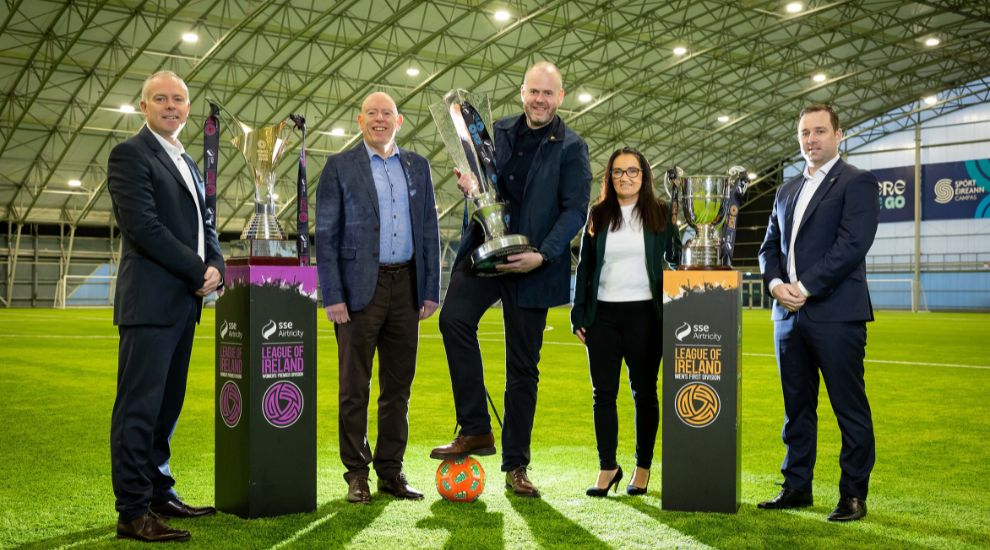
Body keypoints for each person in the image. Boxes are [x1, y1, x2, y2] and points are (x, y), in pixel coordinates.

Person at [430, 61, 591, 498]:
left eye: (548, 93)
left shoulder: (572, 147)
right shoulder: (497, 130)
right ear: (522, 93)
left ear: (560, 97)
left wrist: (542, 254)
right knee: (453, 320)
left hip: (532, 265)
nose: (539, 100)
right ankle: (475, 428)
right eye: (533, 91)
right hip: (486, 250)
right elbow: (486, 183)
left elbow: (575, 210)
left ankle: (516, 466)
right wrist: (470, 186)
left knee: (522, 368)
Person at [108, 71, 224, 542]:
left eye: (178, 99)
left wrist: (216, 265)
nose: (171, 106)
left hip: (183, 304)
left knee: (166, 409)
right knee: (138, 409)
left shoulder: (187, 161)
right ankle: (133, 510)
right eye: (161, 99)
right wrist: (199, 270)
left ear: (188, 109)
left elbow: (206, 223)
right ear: (144, 107)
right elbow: (145, 228)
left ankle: (159, 492)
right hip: (150, 303)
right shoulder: (130, 155)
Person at [316, 92, 440, 504]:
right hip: (357, 292)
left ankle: (391, 470)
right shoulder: (340, 167)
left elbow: (428, 230)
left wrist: (430, 289)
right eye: (372, 113)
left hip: (406, 287)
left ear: (398, 121)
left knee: (398, 388)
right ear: (360, 120)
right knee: (354, 387)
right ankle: (356, 473)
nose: (379, 119)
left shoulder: (418, 167)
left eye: (387, 113)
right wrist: (333, 294)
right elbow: (326, 235)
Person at [757, 103, 879, 522]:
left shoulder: (857, 182)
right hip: (787, 316)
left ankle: (853, 494)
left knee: (849, 408)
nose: (811, 139)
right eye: (804, 133)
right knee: (796, 408)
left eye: (820, 131)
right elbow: (768, 248)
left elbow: (852, 245)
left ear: (838, 135)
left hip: (836, 314)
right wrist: (776, 285)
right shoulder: (786, 190)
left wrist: (804, 288)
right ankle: (796, 486)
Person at [571, 147, 677, 497]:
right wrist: (579, 313)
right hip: (603, 316)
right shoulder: (598, 213)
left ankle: (642, 467)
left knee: (644, 393)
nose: (625, 177)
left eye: (632, 171)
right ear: (609, 177)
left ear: (644, 176)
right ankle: (607, 467)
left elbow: (676, 258)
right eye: (618, 171)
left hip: (646, 316)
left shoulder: (661, 213)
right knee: (603, 394)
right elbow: (586, 267)